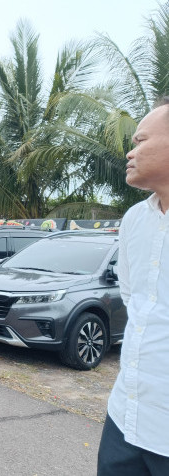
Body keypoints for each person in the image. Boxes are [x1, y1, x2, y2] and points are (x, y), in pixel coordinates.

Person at [97, 97, 169, 475]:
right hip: (126, 418)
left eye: (141, 140)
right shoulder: (134, 220)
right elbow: (133, 299)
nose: (130, 150)